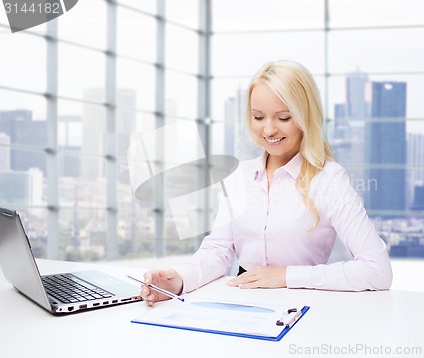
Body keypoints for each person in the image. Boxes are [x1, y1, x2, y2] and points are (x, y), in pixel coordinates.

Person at [140, 60, 393, 306]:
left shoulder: (328, 179)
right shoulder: (239, 176)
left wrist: (285, 276)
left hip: (302, 307)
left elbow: (377, 270)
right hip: (241, 304)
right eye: (258, 117)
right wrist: (179, 281)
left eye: (283, 118)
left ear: (305, 117)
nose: (269, 130)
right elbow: (217, 251)